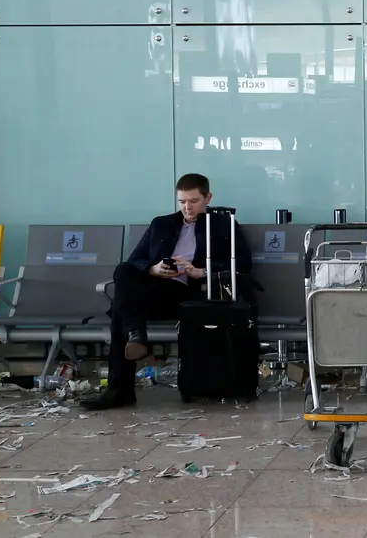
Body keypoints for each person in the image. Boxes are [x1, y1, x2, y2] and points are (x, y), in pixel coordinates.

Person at [81, 173, 251, 411]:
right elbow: (135, 261)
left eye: (193, 201)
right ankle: (135, 335)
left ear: (207, 197)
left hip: (190, 294)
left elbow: (242, 264)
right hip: (156, 289)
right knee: (123, 272)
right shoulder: (161, 223)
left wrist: (199, 271)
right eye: (182, 202)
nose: (187, 207)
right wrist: (154, 268)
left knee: (121, 312)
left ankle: (121, 385)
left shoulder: (223, 224)